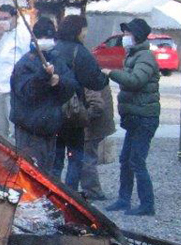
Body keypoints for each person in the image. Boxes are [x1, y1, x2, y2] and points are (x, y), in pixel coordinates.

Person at [106, 17, 161, 216]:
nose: (125, 36)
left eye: (128, 33)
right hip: (136, 116)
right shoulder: (134, 55)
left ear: (136, 36)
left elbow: (136, 80)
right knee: (126, 159)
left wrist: (111, 73)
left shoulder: (145, 57)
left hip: (144, 117)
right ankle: (124, 199)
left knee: (137, 160)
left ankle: (147, 204)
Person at [50, 15, 110, 190]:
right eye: (84, 29)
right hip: (73, 112)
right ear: (78, 30)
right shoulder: (80, 52)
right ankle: (70, 194)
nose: (85, 33)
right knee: (75, 156)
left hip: (52, 111)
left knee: (56, 158)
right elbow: (96, 81)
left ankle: (51, 192)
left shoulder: (53, 50)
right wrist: (105, 76)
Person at [9, 18, 77, 169]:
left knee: (47, 172)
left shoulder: (58, 60)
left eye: (49, 37)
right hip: (29, 129)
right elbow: (27, 92)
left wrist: (59, 81)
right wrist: (43, 77)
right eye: (42, 37)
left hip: (50, 128)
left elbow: (71, 85)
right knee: (30, 170)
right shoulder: (25, 63)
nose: (46, 40)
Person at [0, 3, 30, 138]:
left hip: (13, 90)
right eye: (0, 18)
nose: (3, 21)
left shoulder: (24, 35)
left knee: (14, 128)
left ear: (15, 17)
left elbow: (27, 59)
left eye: (6, 18)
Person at [79, 82, 116, 201]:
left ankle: (93, 191)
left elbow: (96, 105)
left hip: (92, 126)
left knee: (87, 159)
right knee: (88, 158)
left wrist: (82, 118)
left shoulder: (87, 77)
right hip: (99, 124)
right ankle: (92, 190)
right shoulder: (95, 74)